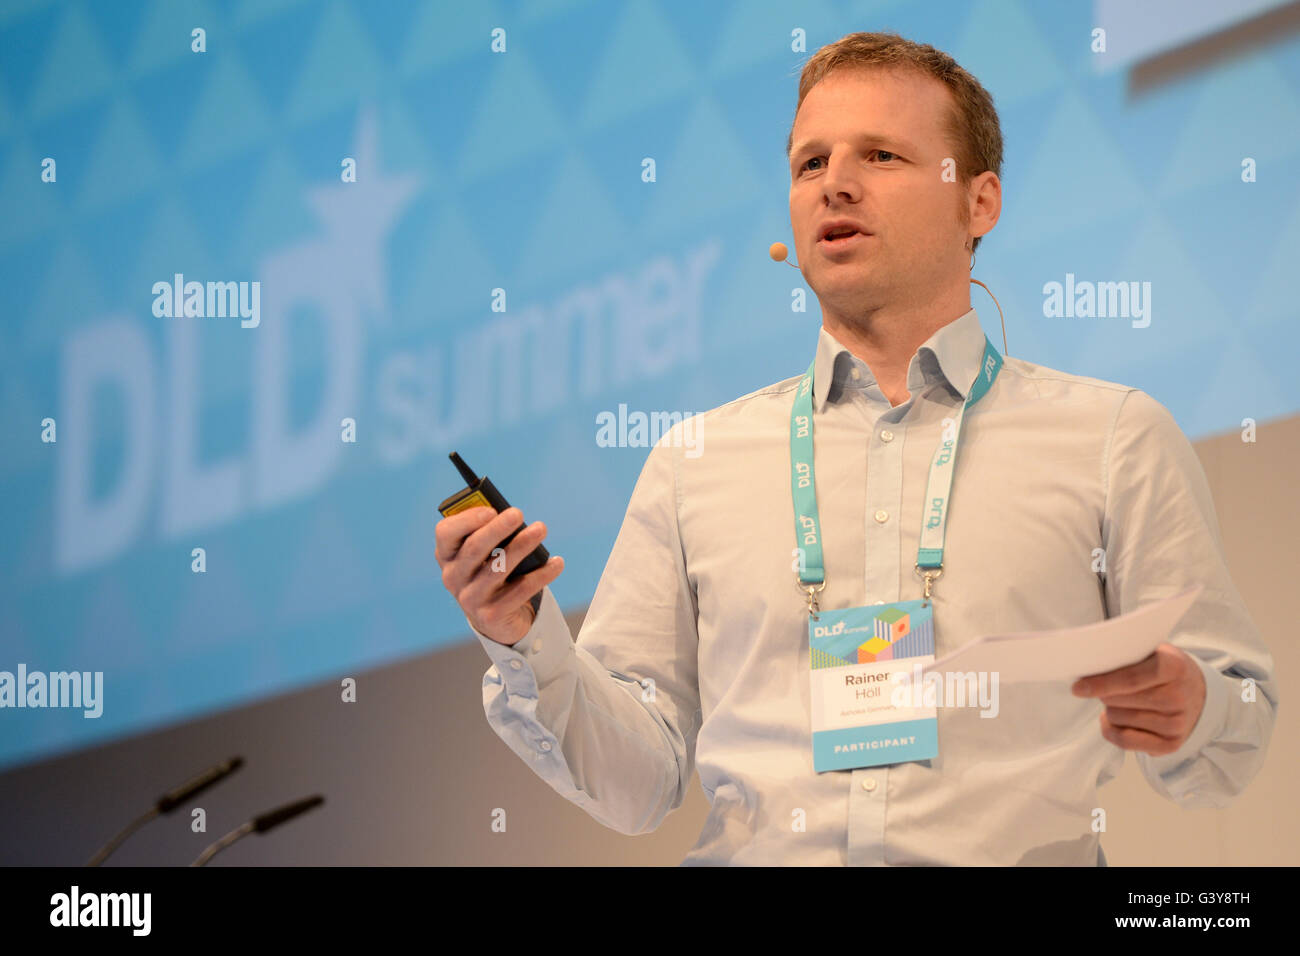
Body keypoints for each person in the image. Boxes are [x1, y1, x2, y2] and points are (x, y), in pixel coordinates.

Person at [434, 32, 1276, 865]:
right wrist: (524, 639)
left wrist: (1195, 708)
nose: (834, 184)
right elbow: (639, 784)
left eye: (879, 155)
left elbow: (1229, 736)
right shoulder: (695, 463)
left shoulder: (1111, 437)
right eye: (809, 164)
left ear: (978, 202)